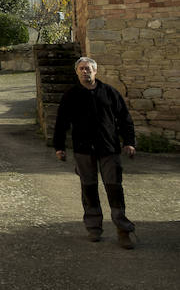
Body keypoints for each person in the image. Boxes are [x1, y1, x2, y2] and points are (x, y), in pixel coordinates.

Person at [54, 56, 137, 249]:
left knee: (114, 189)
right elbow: (61, 123)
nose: (85, 71)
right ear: (77, 72)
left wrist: (129, 142)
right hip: (83, 150)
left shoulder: (110, 93)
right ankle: (93, 228)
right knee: (89, 189)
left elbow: (125, 119)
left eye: (88, 68)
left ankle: (123, 230)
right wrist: (59, 147)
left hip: (109, 149)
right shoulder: (71, 95)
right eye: (81, 69)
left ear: (95, 71)